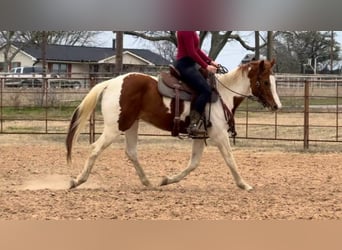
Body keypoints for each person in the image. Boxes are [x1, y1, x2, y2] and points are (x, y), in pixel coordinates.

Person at [174, 31, 219, 136]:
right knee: (206, 90)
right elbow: (191, 52)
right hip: (185, 65)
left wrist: (210, 61)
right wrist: (206, 66)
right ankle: (193, 124)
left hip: (189, 64)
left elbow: (197, 50)